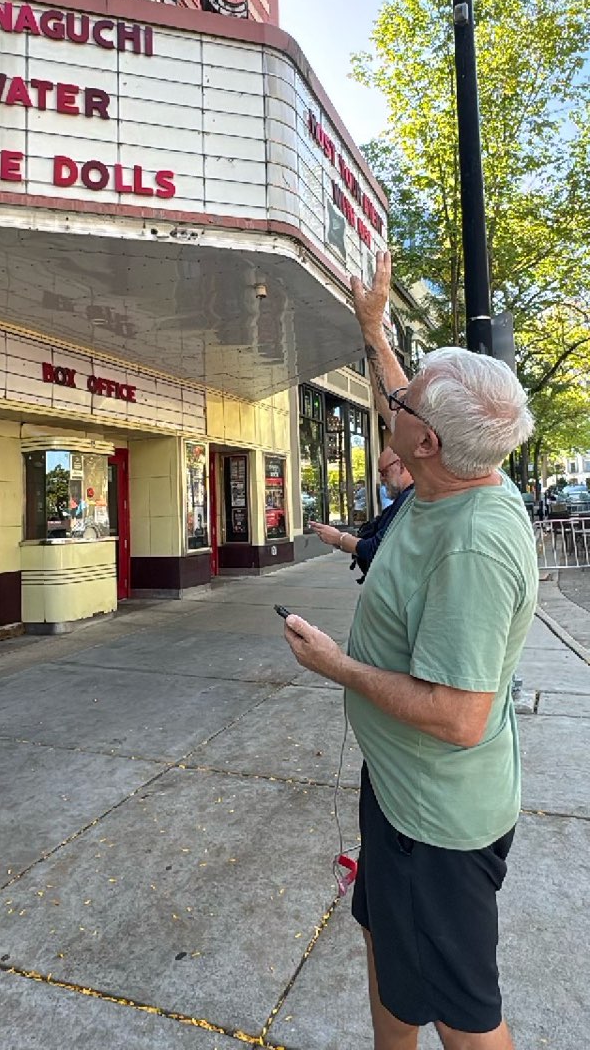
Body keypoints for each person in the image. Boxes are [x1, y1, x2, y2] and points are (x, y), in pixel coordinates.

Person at [283, 250, 538, 1050]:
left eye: (402, 401)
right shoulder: (446, 474)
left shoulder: (472, 546)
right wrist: (372, 329)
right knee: (391, 957)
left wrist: (337, 666)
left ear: (422, 441)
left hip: (435, 826)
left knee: (464, 1015)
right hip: (400, 797)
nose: (390, 397)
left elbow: (459, 717)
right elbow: (411, 398)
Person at [309, 449, 414, 579]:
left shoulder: (410, 500)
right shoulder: (406, 499)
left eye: (384, 472)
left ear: (401, 465)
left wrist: (339, 538)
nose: (381, 479)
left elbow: (377, 549)